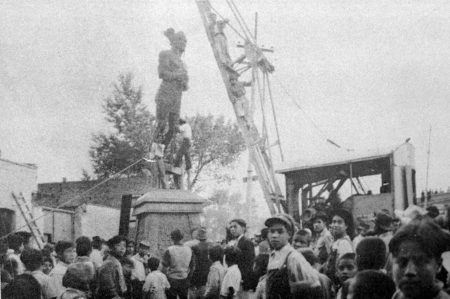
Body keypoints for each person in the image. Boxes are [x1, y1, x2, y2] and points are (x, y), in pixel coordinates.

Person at [389, 217, 450, 299]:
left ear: (438, 265)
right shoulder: (398, 295)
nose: (409, 271)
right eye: (402, 262)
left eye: (420, 262)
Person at [264, 213, 321, 298]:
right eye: (272, 231)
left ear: (289, 234)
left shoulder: (293, 257)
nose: (274, 235)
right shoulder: (273, 255)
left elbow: (312, 288)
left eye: (280, 232)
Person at [154, 27, 188, 149]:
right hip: (165, 94)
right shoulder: (165, 54)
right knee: (161, 125)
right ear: (174, 41)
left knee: (173, 129)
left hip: (177, 98)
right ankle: (152, 154)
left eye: (185, 41)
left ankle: (159, 154)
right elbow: (162, 73)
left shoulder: (183, 64)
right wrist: (178, 75)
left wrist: (184, 82)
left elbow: (185, 86)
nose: (184, 43)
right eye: (181, 40)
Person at [161, 229, 194, 299]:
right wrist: (188, 278)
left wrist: (165, 280)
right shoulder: (189, 250)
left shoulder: (169, 250)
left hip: (172, 280)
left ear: (172, 238)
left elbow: (164, 269)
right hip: (184, 279)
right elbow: (192, 267)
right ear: (182, 237)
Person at [227, 219, 255, 298]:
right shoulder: (235, 242)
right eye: (231, 227)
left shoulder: (247, 242)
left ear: (243, 228)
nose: (232, 229)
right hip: (235, 277)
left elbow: (249, 262)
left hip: (242, 279)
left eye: (235, 226)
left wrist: (243, 278)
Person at [326, 209, 354, 284]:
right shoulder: (337, 242)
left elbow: (344, 267)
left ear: (346, 226)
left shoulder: (344, 243)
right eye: (334, 222)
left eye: (339, 222)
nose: (335, 225)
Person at [189, 227, 212, 299]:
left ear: (198, 237)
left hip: (197, 273)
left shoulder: (194, 247)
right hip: (209, 273)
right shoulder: (211, 245)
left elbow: (192, 263)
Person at [174, 118, 192, 189]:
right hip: (188, 141)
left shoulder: (185, 125)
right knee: (186, 154)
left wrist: (175, 126)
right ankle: (188, 166)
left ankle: (176, 165)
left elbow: (178, 129)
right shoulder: (187, 126)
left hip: (186, 141)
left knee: (179, 153)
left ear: (181, 123)